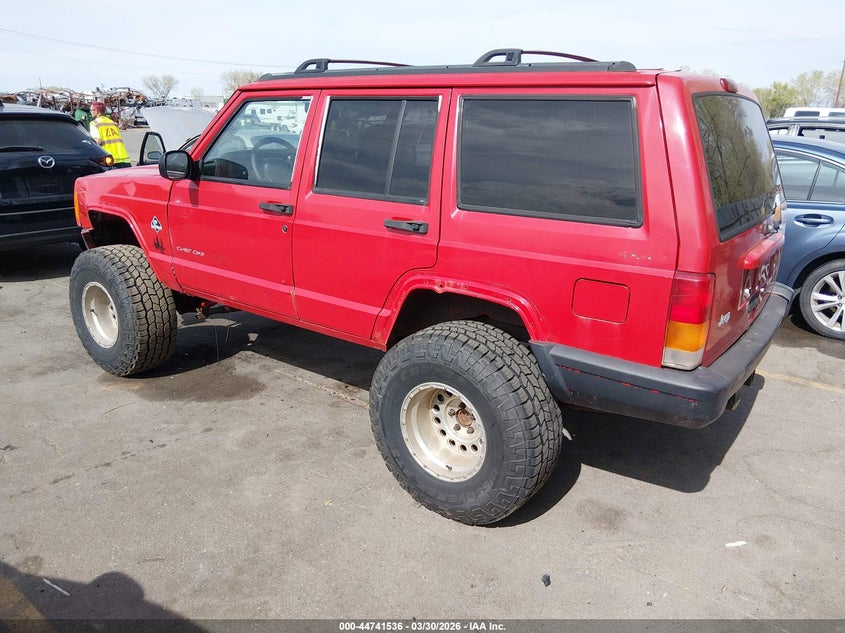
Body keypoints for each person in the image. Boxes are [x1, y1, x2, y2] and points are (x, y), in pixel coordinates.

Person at [89, 102, 131, 168]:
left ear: (96, 111)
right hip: (124, 158)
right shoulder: (112, 122)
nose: (90, 112)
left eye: (91, 110)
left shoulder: (94, 123)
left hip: (109, 160)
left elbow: (98, 141)